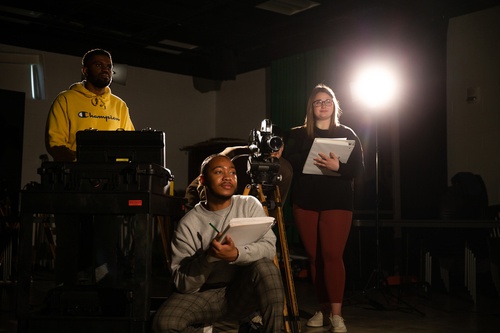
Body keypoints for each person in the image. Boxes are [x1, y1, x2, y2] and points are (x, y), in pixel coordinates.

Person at [153, 154, 284, 333]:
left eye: (232, 172)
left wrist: (236, 254)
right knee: (164, 323)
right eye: (218, 172)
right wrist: (209, 258)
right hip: (208, 295)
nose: (228, 177)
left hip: (242, 292)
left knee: (267, 268)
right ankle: (214, 328)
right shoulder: (188, 224)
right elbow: (182, 283)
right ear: (203, 179)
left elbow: (269, 248)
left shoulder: (249, 205)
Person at [45, 48, 135, 286]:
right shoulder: (65, 100)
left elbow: (130, 145)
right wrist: (83, 165)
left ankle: (105, 298)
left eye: (109, 66)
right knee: (72, 244)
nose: (105, 70)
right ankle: (67, 296)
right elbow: (56, 144)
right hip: (73, 185)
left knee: (106, 245)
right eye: (98, 65)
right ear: (85, 70)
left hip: (108, 188)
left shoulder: (119, 106)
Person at [284, 83, 364, 332]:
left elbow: (358, 169)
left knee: (332, 256)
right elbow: (288, 164)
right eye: (317, 102)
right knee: (315, 258)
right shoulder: (297, 134)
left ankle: (337, 315)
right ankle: (323, 307)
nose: (322, 105)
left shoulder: (347, 133)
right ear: (311, 107)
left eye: (327, 101)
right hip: (306, 201)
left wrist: (337, 167)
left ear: (334, 106)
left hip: (337, 202)